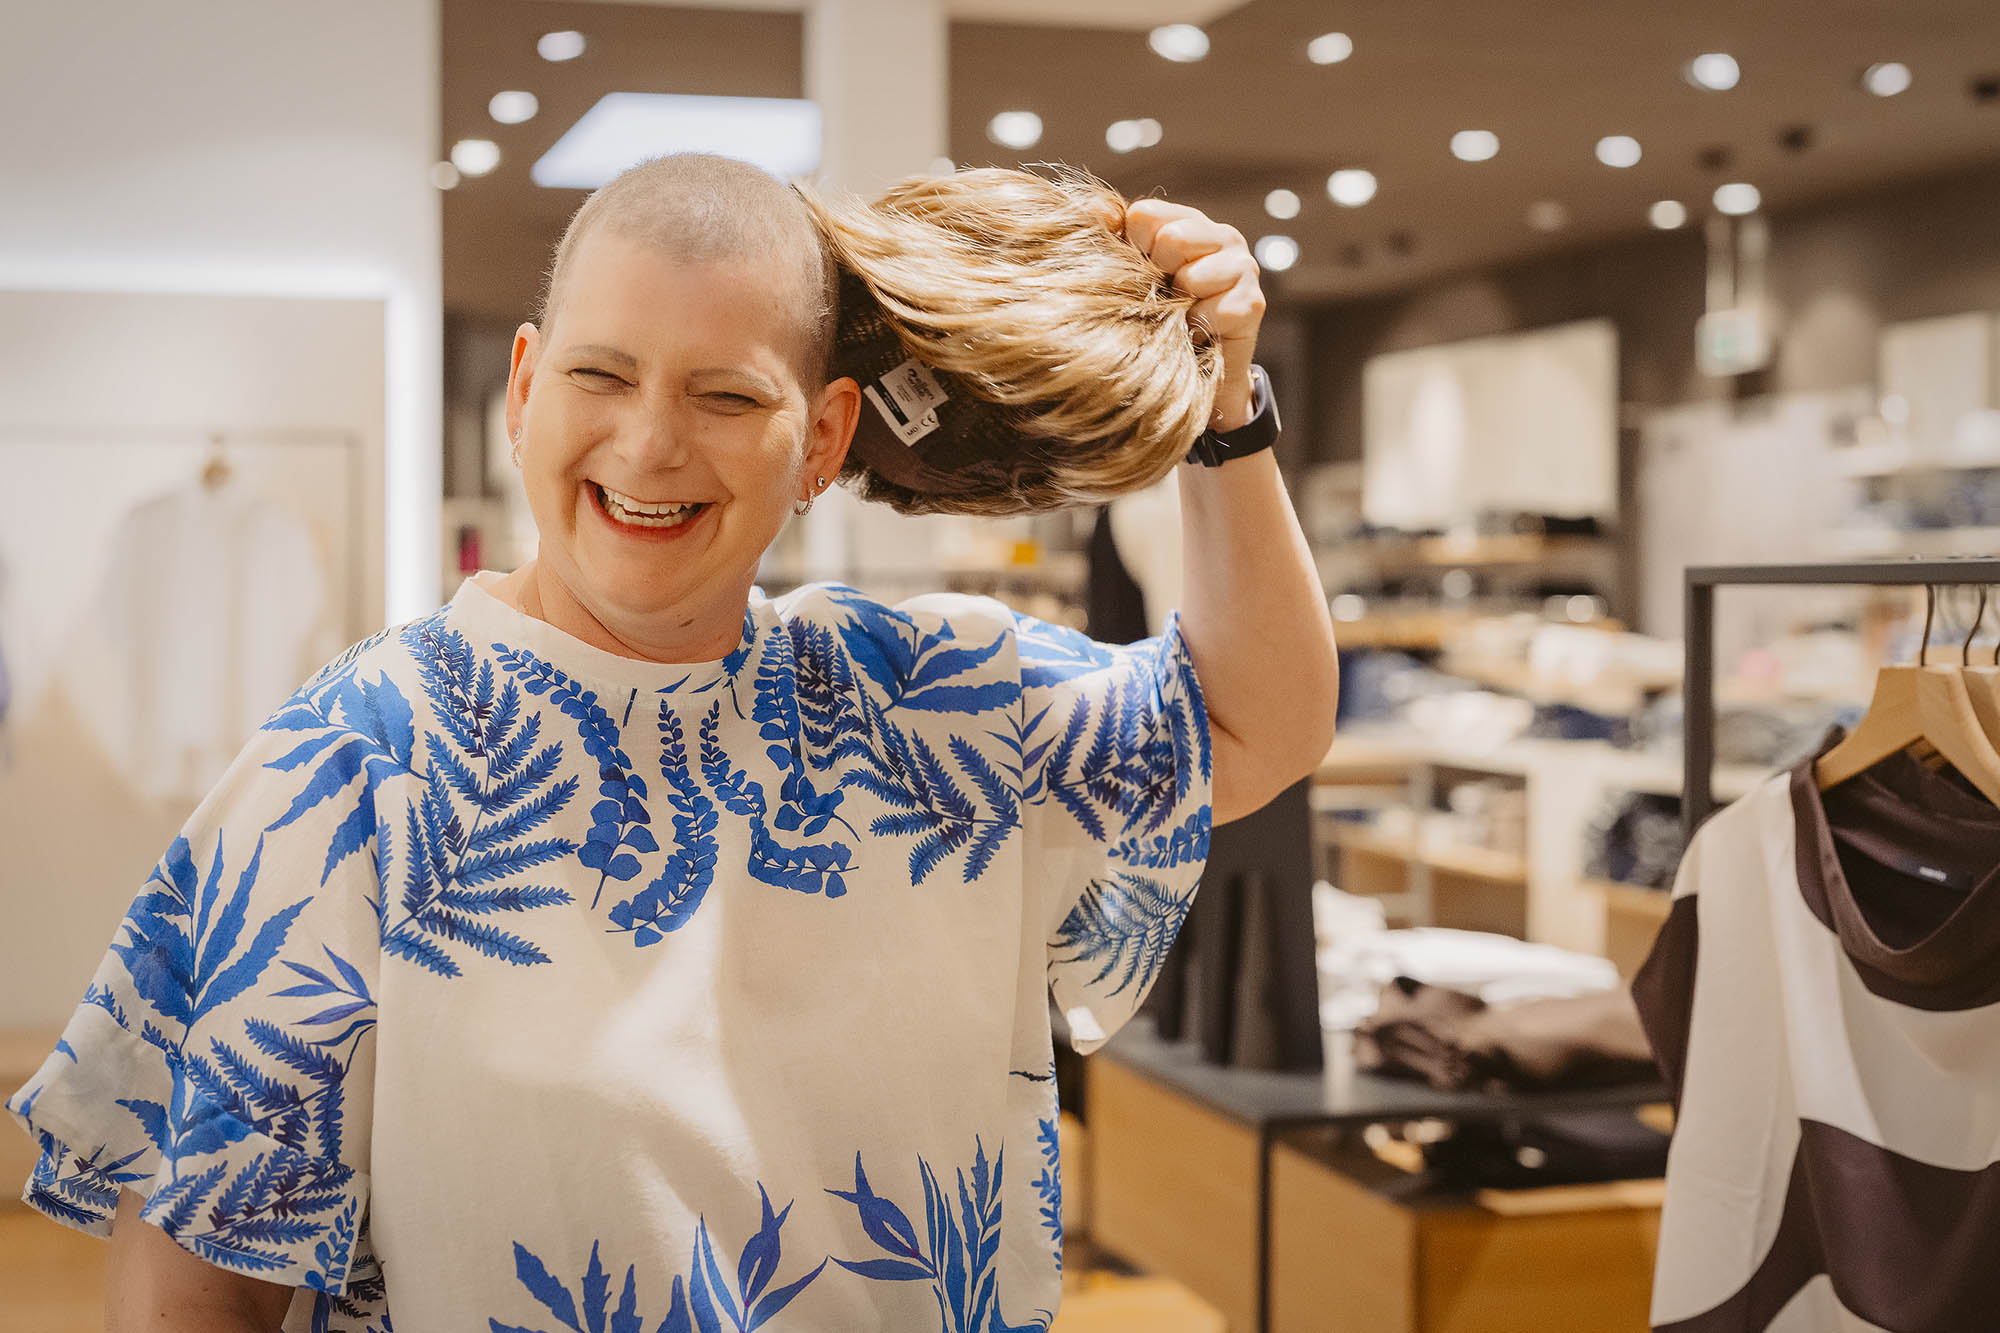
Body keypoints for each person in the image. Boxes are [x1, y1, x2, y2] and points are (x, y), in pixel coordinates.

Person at [5, 154, 1339, 1331]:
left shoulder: (936, 703)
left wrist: (1230, 410)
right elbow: (197, 1287)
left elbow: (1253, 718)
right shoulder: (354, 767)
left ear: (821, 440)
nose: (650, 444)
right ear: (525, 389)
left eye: (723, 395)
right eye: (601, 374)